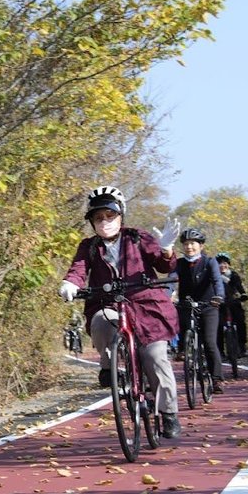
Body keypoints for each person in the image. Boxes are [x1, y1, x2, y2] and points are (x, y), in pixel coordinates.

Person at [58, 186, 184, 439]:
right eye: (98, 217)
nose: (104, 221)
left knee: (156, 358)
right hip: (108, 303)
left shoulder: (137, 237)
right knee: (100, 322)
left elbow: (163, 264)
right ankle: (108, 367)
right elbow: (78, 269)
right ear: (92, 222)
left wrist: (166, 249)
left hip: (146, 305)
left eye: (110, 215)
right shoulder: (89, 246)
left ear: (120, 216)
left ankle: (168, 413)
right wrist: (71, 283)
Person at [174, 228, 225, 393]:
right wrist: (166, 295)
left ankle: (217, 379)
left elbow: (217, 281)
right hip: (186, 305)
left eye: (193, 243)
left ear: (201, 246)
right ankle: (182, 348)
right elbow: (170, 281)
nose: (189, 247)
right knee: (180, 320)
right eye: (186, 244)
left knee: (210, 343)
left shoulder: (210, 262)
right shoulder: (179, 263)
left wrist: (219, 296)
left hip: (208, 306)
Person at [216, 252, 248, 356]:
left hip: (232, 302)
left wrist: (243, 294)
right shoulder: (213, 276)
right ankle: (220, 351)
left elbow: (239, 286)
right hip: (219, 303)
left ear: (228, 264)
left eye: (225, 263)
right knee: (218, 325)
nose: (222, 265)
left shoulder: (233, 275)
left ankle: (242, 347)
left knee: (240, 321)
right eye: (219, 263)